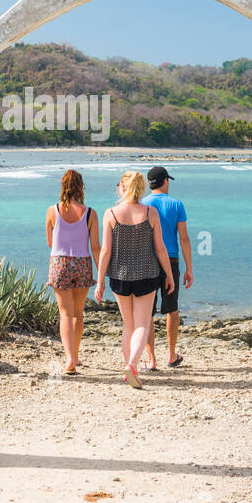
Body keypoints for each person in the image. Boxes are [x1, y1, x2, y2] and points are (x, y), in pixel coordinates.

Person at [95, 171, 174, 389]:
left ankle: (131, 368)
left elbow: (105, 251)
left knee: (128, 324)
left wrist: (100, 280)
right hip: (147, 275)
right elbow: (160, 248)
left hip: (119, 276)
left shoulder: (110, 213)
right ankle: (132, 366)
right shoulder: (151, 213)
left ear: (123, 188)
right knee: (142, 324)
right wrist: (168, 274)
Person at [46, 170, 99, 374]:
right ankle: (75, 356)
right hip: (83, 263)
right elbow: (95, 246)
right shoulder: (90, 213)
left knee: (65, 314)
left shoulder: (53, 211)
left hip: (59, 262)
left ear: (62, 186)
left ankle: (68, 358)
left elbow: (51, 242)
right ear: (81, 187)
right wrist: (102, 272)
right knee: (78, 313)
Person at [141, 165, 193, 369]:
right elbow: (184, 238)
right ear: (165, 181)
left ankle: (151, 359)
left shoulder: (142, 204)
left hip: (148, 261)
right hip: (170, 261)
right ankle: (171, 355)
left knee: (147, 311)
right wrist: (189, 268)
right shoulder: (177, 204)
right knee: (172, 309)